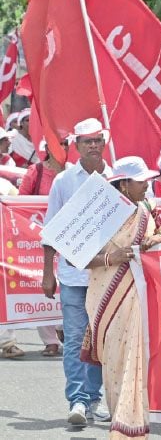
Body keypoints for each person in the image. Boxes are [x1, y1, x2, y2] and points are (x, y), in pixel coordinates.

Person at [82, 156, 161, 439]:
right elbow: (76, 258)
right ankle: (119, 422)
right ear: (124, 184)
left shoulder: (146, 210)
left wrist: (156, 241)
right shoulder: (101, 212)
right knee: (115, 361)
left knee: (136, 356)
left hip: (139, 292)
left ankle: (130, 426)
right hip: (106, 295)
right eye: (142, 180)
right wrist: (112, 257)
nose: (147, 185)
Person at [41, 118, 112, 426]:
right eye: (87, 141)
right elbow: (50, 230)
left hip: (108, 275)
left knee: (100, 341)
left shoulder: (119, 178)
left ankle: (94, 398)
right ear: (76, 147)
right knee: (74, 341)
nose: (93, 145)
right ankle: (78, 400)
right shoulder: (64, 181)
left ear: (104, 142)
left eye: (97, 140)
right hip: (72, 278)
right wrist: (48, 272)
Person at [18, 139, 69, 357]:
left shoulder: (72, 174)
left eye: (67, 144)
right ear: (47, 148)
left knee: (67, 284)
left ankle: (65, 328)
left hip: (68, 238)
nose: (63, 148)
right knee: (42, 286)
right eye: (59, 144)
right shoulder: (35, 172)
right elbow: (19, 203)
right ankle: (50, 340)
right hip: (37, 236)